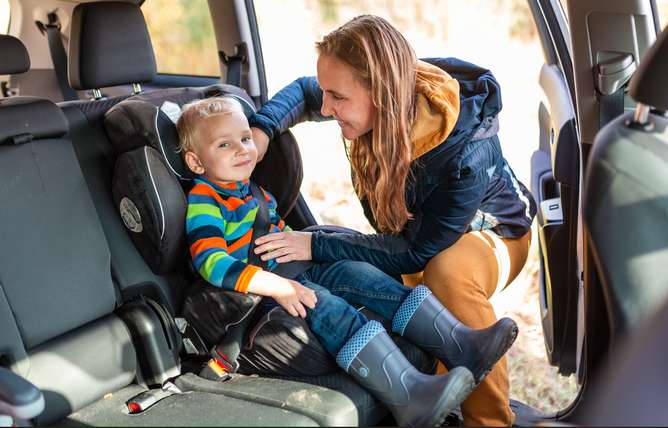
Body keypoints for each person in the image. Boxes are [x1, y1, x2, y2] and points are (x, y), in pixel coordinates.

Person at [248, 14, 537, 426]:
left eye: (338, 98)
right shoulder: (370, 95)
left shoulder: (464, 154)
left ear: (380, 92)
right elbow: (302, 93)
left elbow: (415, 251)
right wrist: (261, 131)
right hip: (419, 235)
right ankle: (430, 396)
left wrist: (313, 244)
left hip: (496, 232)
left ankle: (488, 420)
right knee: (356, 270)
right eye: (327, 94)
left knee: (445, 273)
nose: (327, 107)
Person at [177, 96, 519, 427]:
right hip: (261, 291)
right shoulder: (206, 199)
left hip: (292, 269)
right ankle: (410, 396)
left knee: (364, 276)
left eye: (245, 138)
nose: (241, 149)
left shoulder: (255, 193)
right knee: (330, 308)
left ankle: (459, 343)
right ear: (196, 163)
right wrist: (279, 286)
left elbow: (279, 237)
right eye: (224, 145)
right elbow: (212, 262)